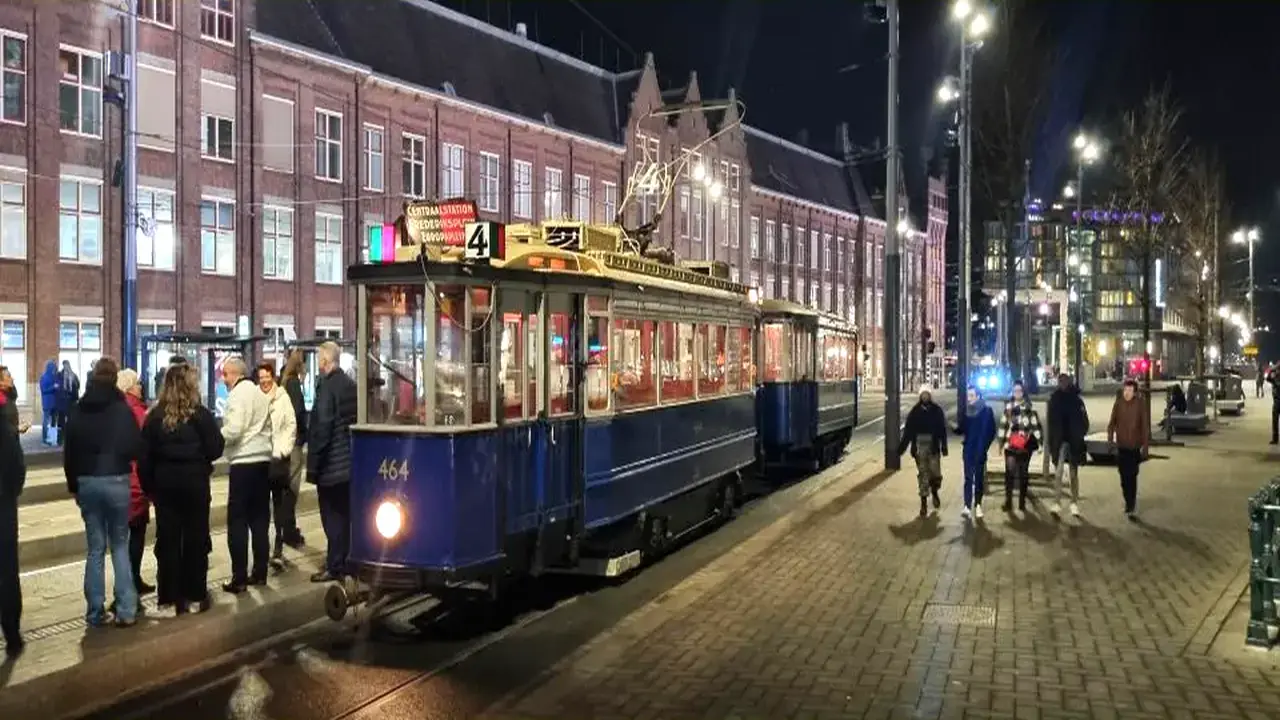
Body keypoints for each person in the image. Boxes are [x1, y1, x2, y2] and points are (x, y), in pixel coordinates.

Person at [62, 357, 143, 627]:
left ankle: (94, 612)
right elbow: (135, 447)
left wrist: (74, 485)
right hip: (117, 480)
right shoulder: (122, 409)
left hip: (87, 482)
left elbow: (69, 452)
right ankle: (127, 611)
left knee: (95, 549)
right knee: (120, 545)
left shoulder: (78, 408)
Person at [139, 364, 224, 614]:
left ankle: (168, 598)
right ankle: (195, 595)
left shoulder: (154, 416)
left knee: (167, 541)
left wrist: (150, 487)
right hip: (195, 484)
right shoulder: (200, 414)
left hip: (166, 486)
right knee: (196, 539)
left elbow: (144, 457)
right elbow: (216, 448)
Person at [219, 357, 274, 594]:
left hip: (243, 463)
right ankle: (260, 572)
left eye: (225, 374)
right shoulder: (261, 395)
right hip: (263, 462)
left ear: (234, 374)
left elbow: (234, 429)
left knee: (238, 522)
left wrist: (216, 438)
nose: (223, 380)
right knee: (260, 520)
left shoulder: (237, 395)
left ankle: (239, 577)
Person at [308, 341, 357, 583]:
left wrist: (314, 464)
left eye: (319, 360)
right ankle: (348, 560)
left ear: (325, 362)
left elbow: (322, 428)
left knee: (332, 518)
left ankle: (334, 565)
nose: (318, 365)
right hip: (350, 463)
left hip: (331, 466)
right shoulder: (350, 385)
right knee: (347, 515)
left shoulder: (326, 388)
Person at [116, 369, 154, 596]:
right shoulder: (138, 412)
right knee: (136, 534)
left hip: (116, 480)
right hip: (135, 481)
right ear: (130, 387)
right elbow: (145, 449)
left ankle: (126, 583)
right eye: (138, 383)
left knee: (121, 539)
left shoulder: (114, 410)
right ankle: (132, 582)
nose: (141, 387)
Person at [256, 362, 298, 562]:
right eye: (261, 377)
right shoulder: (255, 398)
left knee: (279, 504)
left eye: (266, 376)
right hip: (261, 459)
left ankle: (278, 546)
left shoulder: (283, 398)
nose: (264, 380)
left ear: (273, 377)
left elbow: (291, 424)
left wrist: (284, 449)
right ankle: (264, 548)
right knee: (261, 507)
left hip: (279, 459)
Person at [0, 366, 26, 656]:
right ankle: (11, 632)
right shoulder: (4, 409)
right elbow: (13, 459)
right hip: (2, 499)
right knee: (7, 568)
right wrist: (13, 490)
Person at [897, 385, 948, 517]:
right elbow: (908, 432)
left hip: (934, 446)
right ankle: (923, 505)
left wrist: (944, 446)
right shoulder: (915, 412)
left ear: (930, 396)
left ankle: (935, 491)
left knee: (936, 474)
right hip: (920, 447)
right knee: (923, 475)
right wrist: (901, 449)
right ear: (920, 396)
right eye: (923, 394)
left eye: (927, 394)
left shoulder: (937, 411)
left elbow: (942, 430)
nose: (925, 396)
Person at [997, 380, 1042, 513]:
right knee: (1009, 472)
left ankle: (1022, 501)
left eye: (1020, 391)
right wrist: (1000, 443)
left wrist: (1039, 443)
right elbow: (1002, 425)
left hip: (1025, 445)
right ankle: (1008, 501)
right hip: (1010, 445)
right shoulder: (1008, 408)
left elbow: (1035, 426)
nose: (1017, 393)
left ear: (1023, 392)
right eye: (1015, 391)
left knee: (1023, 473)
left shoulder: (1029, 408)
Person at [1046, 373, 1088, 517]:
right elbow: (1051, 423)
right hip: (1060, 440)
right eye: (1061, 382)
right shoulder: (1056, 399)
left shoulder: (1074, 400)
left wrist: (1079, 434)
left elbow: (1084, 421)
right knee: (1059, 473)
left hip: (1072, 439)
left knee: (1072, 473)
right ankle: (1059, 502)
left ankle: (1072, 502)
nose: (1062, 384)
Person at [1108, 379, 1150, 519]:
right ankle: (1127, 499)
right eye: (1126, 390)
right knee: (1123, 477)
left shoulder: (1139, 405)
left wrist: (1145, 447)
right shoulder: (1118, 404)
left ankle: (1131, 503)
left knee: (1132, 475)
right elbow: (1112, 423)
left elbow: (1144, 426)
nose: (1127, 393)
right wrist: (1110, 441)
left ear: (1135, 392)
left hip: (1134, 446)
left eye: (1130, 390)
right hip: (1122, 446)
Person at [279, 350, 308, 549]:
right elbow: (298, 412)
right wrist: (304, 434)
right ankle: (289, 530)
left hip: (283, 440)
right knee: (292, 487)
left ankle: (284, 528)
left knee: (285, 487)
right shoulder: (294, 383)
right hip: (294, 441)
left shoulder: (283, 382)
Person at [957, 387, 997, 519]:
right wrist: (955, 428)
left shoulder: (987, 411)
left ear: (979, 396)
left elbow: (991, 431)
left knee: (979, 478)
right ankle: (967, 505)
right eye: (968, 395)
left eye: (972, 395)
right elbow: (962, 429)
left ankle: (978, 504)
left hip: (980, 450)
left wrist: (984, 446)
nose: (969, 398)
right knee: (968, 478)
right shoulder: (967, 411)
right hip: (968, 449)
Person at [57, 360, 80, 446]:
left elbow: (77, 386)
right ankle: (59, 439)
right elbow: (58, 387)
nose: (66, 367)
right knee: (60, 421)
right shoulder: (60, 375)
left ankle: (69, 439)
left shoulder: (73, 375)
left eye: (67, 365)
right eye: (64, 365)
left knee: (70, 421)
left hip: (71, 401)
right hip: (62, 402)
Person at [39, 360, 59, 445]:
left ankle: (52, 438)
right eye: (53, 367)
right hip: (47, 402)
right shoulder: (44, 377)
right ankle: (45, 438)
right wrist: (53, 387)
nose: (54, 369)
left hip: (54, 403)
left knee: (54, 421)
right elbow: (43, 390)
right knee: (46, 421)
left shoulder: (54, 377)